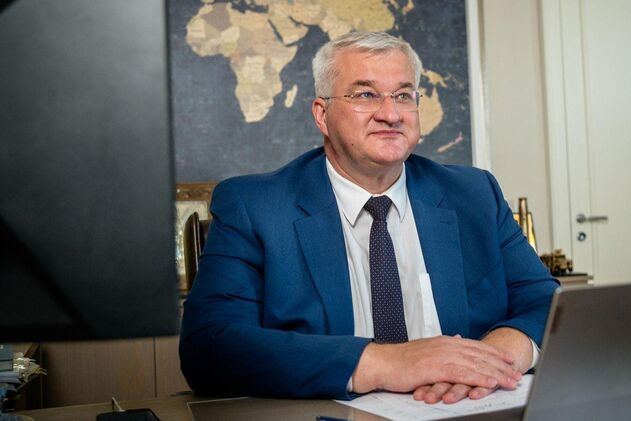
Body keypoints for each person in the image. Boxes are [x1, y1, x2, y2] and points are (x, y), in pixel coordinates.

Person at [180, 31, 559, 404]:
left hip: (462, 408)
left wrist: (491, 358)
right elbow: (209, 346)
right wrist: (386, 363)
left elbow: (547, 302)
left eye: (403, 95)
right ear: (322, 114)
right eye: (365, 95)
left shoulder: (474, 195)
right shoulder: (255, 206)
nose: (390, 114)